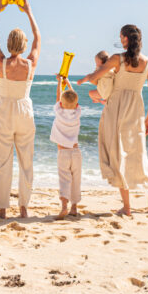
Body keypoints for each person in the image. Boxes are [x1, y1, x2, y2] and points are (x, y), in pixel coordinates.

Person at [78, 24, 148, 216]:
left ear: (124, 39)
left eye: (120, 37)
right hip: (136, 109)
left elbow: (95, 77)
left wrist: (85, 79)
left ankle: (127, 206)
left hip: (116, 109)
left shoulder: (117, 59)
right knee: (139, 154)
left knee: (118, 153)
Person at [0, 0, 41, 218]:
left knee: (1, 160)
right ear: (24, 45)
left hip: (4, 109)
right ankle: (23, 207)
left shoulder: (1, 61)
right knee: (26, 159)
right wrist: (29, 12)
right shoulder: (30, 63)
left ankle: (2, 209)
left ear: (10, 44)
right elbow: (38, 38)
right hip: (24, 109)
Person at [50, 77, 82, 220]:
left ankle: (64, 206)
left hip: (63, 152)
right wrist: (68, 83)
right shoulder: (77, 112)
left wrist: (59, 82)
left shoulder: (59, 112)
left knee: (64, 179)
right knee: (76, 179)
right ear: (76, 104)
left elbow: (58, 97)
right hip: (76, 152)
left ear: (61, 103)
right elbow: (74, 97)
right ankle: (74, 208)